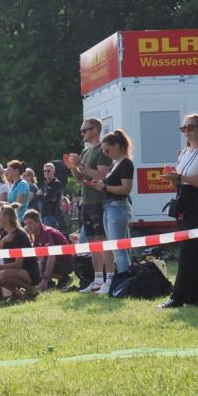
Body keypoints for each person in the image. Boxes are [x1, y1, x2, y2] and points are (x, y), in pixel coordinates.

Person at [158, 114, 198, 308]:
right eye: (184, 128)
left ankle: (179, 297)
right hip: (186, 204)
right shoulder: (184, 153)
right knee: (190, 251)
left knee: (195, 252)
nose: (187, 131)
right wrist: (172, 179)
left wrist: (181, 176)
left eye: (191, 127)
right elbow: (180, 184)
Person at [65, 117, 114, 293]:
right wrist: (72, 167)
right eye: (81, 131)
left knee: (103, 240)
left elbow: (101, 175)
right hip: (86, 202)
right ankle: (98, 279)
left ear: (95, 130)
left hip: (100, 201)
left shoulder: (102, 150)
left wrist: (81, 165)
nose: (82, 133)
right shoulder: (85, 152)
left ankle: (110, 279)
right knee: (93, 241)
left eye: (85, 130)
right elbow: (80, 179)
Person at [90, 130, 135, 293]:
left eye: (107, 149)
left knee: (119, 248)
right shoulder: (116, 163)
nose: (104, 153)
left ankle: (125, 283)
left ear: (117, 146)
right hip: (109, 207)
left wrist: (104, 186)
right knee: (116, 247)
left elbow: (126, 188)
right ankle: (124, 281)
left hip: (118, 208)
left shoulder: (126, 163)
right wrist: (101, 184)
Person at [0, 203, 41, 303]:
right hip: (13, 270)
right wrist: (2, 242)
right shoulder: (3, 234)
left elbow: (18, 264)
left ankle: (31, 289)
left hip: (29, 272)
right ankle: (16, 293)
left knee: (3, 275)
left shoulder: (19, 235)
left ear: (6, 217)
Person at [22, 209, 74, 291]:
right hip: (59, 261)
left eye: (30, 223)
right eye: (26, 224)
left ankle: (64, 278)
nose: (27, 226)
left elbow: (51, 256)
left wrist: (44, 279)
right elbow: (36, 255)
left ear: (38, 222)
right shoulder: (36, 234)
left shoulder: (47, 232)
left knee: (38, 264)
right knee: (34, 262)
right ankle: (50, 283)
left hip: (67, 262)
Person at [36, 163, 64, 229]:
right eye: (44, 171)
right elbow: (38, 196)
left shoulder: (56, 183)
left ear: (53, 172)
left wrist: (42, 195)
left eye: (48, 171)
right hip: (44, 214)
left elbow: (47, 198)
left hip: (52, 215)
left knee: (50, 237)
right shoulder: (45, 184)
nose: (46, 172)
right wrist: (43, 196)